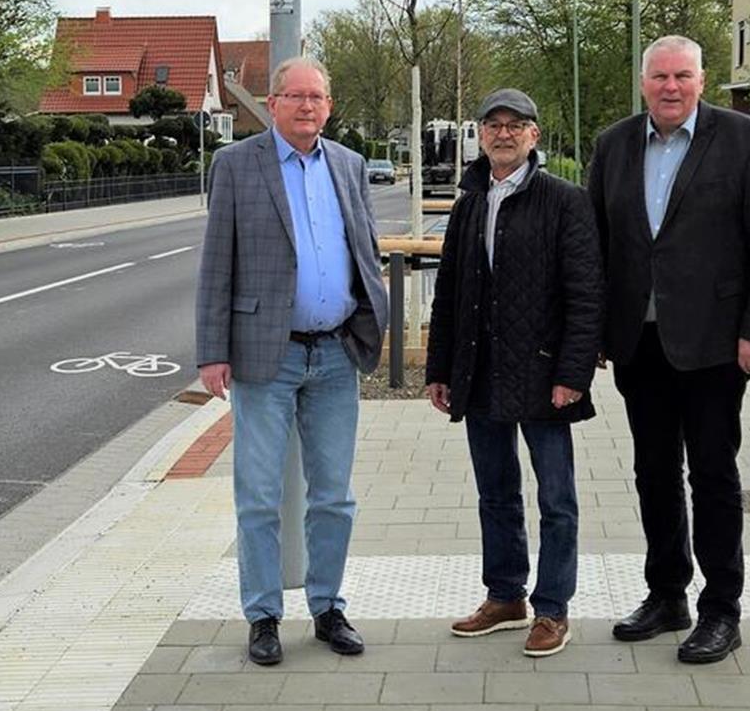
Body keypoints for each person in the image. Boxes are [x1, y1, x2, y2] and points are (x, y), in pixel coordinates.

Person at [586, 34, 750, 664]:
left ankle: (722, 608)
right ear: (642, 81)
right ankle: (666, 593)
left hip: (714, 343)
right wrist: (594, 336)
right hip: (637, 342)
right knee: (653, 472)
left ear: (701, 81)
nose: (670, 87)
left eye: (682, 76)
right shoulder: (614, 145)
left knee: (712, 471)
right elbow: (597, 246)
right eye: (659, 77)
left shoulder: (742, 140)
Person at [195, 55, 389, 666]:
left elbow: (364, 248)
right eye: (295, 96)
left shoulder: (349, 166)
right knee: (258, 495)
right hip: (264, 358)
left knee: (333, 493)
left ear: (329, 106)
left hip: (334, 355)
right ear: (272, 103)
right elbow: (216, 264)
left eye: (317, 97)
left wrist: (371, 318)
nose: (307, 106)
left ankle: (328, 606)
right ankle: (263, 615)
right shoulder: (235, 165)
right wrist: (211, 352)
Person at [424, 89, 603, 658]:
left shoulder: (564, 201)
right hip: (480, 375)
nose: (503, 133)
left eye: (515, 125)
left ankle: (553, 608)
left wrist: (573, 372)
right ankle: (505, 596)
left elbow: (586, 294)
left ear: (534, 136)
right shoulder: (470, 202)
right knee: (495, 492)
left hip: (546, 375)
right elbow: (448, 291)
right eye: (493, 125)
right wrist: (440, 368)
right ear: (480, 134)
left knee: (556, 497)